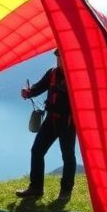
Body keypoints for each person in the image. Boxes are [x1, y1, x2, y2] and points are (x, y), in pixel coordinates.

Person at [15, 49, 77, 202]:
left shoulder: (76, 77)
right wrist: (28, 93)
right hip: (51, 119)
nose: (58, 60)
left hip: (68, 122)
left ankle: (65, 191)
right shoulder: (52, 73)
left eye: (60, 57)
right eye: (58, 57)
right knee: (37, 150)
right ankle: (36, 188)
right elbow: (38, 88)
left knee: (68, 156)